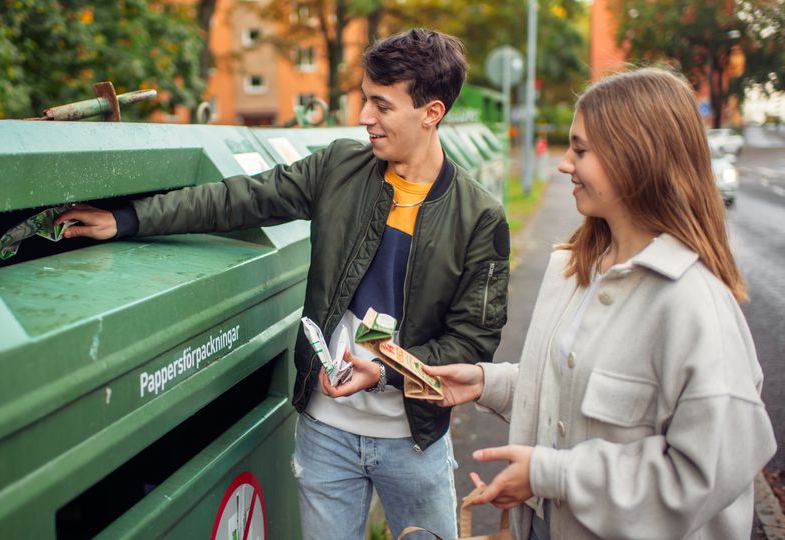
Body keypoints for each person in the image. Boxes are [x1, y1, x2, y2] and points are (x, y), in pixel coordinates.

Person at [55, 29, 511, 540]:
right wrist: (127, 219)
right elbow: (239, 199)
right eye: (365, 99)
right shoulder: (339, 167)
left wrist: (385, 371)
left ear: (431, 112)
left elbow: (472, 345)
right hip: (326, 434)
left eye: (382, 105)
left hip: (414, 442)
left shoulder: (479, 217)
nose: (364, 116)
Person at [423, 67, 777, 539]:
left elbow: (699, 477)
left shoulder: (695, 304)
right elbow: (576, 389)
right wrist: (487, 383)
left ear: (637, 157)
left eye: (581, 149)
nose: (564, 164)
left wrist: (551, 475)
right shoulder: (576, 269)